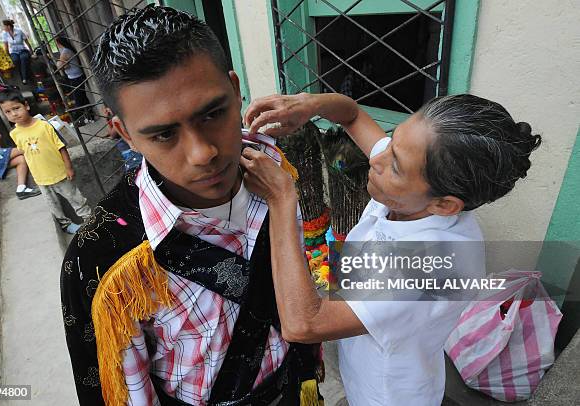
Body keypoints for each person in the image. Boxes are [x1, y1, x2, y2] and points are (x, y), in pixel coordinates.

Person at [61, 5, 322, 405]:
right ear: (125, 134)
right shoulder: (105, 258)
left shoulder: (275, 171)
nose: (203, 153)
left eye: (214, 114)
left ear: (236, 92)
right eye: (164, 135)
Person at [240, 92, 542, 406]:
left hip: (389, 393)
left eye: (395, 166)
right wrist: (311, 104)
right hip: (366, 366)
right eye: (391, 141)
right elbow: (353, 116)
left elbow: (305, 324)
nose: (376, 158)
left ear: (444, 204)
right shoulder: (412, 189)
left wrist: (281, 199)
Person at [0, 90, 91, 233]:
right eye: (8, 112)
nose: (14, 114)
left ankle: (90, 220)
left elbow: (61, 147)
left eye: (16, 108)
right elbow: (26, 152)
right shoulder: (14, 133)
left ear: (26, 106)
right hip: (41, 178)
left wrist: (68, 167)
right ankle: (66, 224)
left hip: (60, 173)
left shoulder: (44, 126)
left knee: (75, 198)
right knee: (53, 204)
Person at [55, 37, 94, 123]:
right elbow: (65, 65)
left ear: (58, 43)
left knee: (78, 99)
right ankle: (90, 117)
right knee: (82, 97)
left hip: (75, 77)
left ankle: (81, 120)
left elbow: (60, 66)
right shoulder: (66, 50)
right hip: (75, 76)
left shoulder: (65, 51)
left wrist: (60, 64)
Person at [1, 19, 33, 84]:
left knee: (24, 58)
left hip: (22, 49)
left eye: (4, 26)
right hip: (13, 51)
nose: (3, 28)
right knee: (15, 60)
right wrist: (7, 56)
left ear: (8, 26)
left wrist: (31, 51)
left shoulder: (19, 31)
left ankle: (24, 78)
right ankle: (23, 77)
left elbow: (26, 42)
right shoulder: (4, 34)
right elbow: (6, 46)